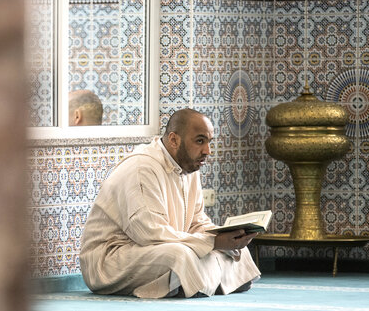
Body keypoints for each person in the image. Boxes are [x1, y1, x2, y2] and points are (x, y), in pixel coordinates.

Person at [79, 108, 260, 298]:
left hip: (156, 247)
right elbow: (150, 234)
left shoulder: (189, 167)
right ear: (174, 140)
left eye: (209, 142)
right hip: (112, 259)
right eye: (200, 141)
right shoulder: (142, 169)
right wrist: (213, 242)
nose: (207, 151)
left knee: (236, 251)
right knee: (179, 256)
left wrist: (226, 236)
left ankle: (193, 282)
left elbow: (197, 222)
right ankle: (206, 280)